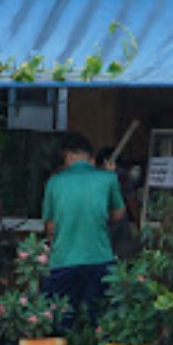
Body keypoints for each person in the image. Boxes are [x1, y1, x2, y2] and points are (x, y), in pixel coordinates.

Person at [42, 132, 125, 325]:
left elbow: (50, 227)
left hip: (63, 260)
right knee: (102, 320)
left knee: (61, 320)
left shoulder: (54, 182)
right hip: (99, 258)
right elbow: (119, 214)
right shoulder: (108, 179)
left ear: (67, 155)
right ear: (90, 157)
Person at [95, 145, 141, 259]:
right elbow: (131, 200)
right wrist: (138, 222)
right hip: (115, 224)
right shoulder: (119, 175)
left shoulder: (96, 176)